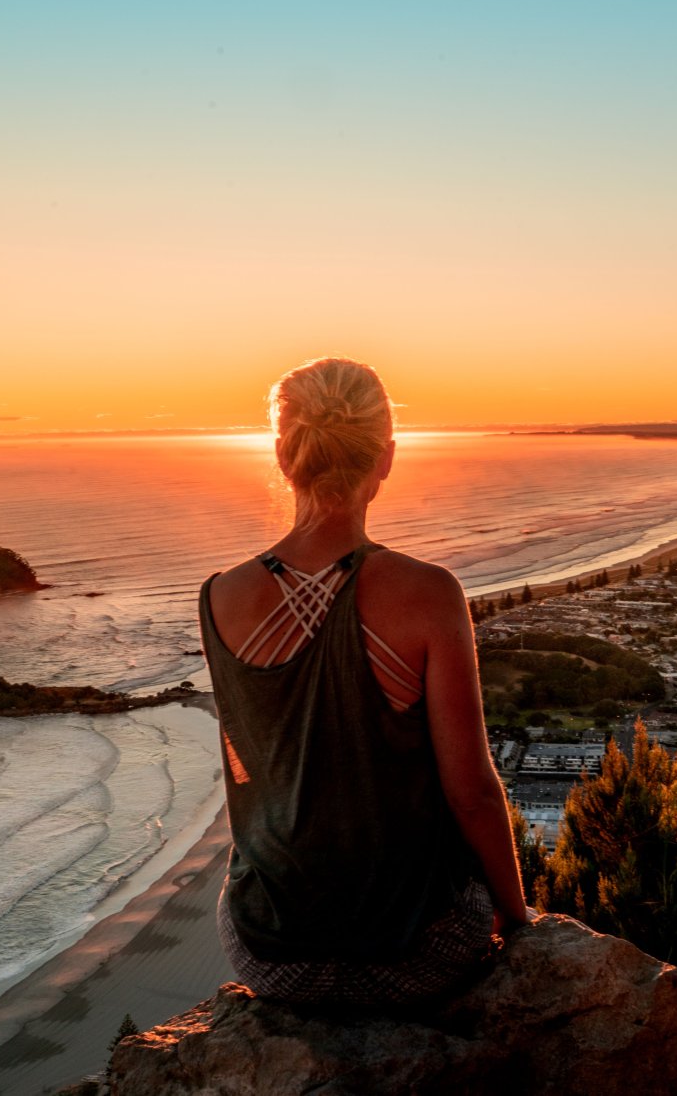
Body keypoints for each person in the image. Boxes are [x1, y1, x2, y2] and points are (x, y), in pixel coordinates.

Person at [197, 356, 531, 1005]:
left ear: (282, 456)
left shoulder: (219, 598)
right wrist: (520, 924)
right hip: (418, 951)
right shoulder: (430, 594)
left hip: (270, 953)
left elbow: (248, 775)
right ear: (387, 457)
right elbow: (472, 794)